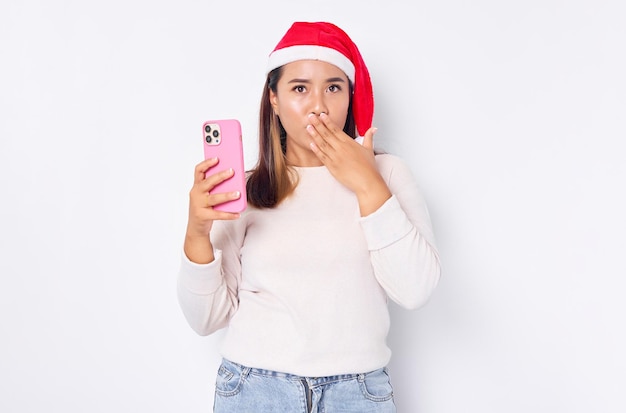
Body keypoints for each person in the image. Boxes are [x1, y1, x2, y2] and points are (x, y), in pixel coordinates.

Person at [177, 21, 441, 413]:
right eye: (299, 88)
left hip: (358, 393)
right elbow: (205, 319)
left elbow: (416, 289)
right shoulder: (245, 190)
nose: (318, 105)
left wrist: (368, 186)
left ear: (349, 97)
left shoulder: (387, 175)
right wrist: (197, 231)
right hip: (256, 389)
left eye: (333, 87)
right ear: (274, 99)